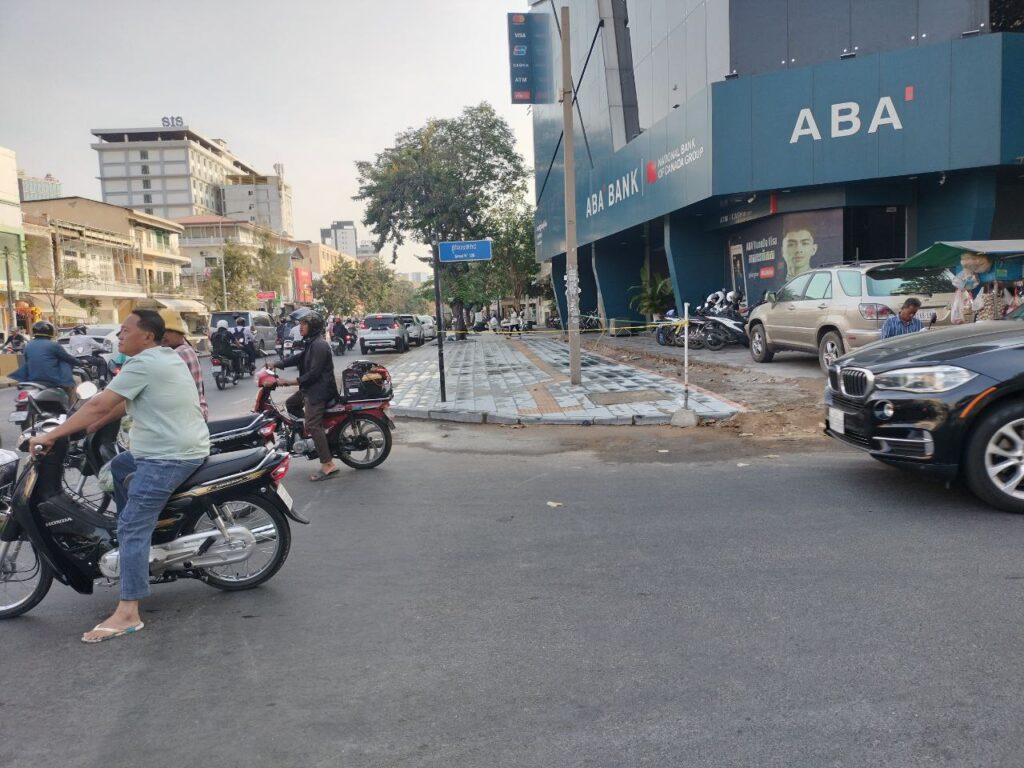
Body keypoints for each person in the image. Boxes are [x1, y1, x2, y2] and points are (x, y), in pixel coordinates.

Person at [29, 309, 210, 643]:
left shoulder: (143, 363)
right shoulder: (164, 357)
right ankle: (138, 544)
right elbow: (122, 404)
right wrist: (91, 426)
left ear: (147, 336)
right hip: (166, 448)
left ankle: (128, 612)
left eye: (126, 330)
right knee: (120, 466)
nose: (119, 335)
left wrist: (51, 435)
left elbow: (99, 404)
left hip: (168, 457)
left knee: (132, 525)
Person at [274, 309, 339, 481]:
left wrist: (289, 381)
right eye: (300, 323)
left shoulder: (319, 345)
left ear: (313, 326)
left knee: (312, 424)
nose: (300, 327)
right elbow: (298, 358)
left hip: (319, 391)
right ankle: (310, 438)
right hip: (311, 388)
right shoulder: (311, 342)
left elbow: (313, 374)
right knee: (291, 404)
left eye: (304, 324)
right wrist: (277, 363)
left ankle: (328, 464)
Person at [160, 309, 208, 420]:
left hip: (188, 417)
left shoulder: (178, 353)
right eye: (161, 332)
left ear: (180, 332)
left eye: (168, 331)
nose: (163, 336)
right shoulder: (183, 348)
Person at [9, 320, 81, 395]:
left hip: (32, 379)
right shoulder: (53, 345)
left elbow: (27, 361)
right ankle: (70, 402)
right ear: (50, 332)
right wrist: (80, 362)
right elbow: (67, 358)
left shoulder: (28, 345)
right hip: (52, 379)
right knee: (76, 380)